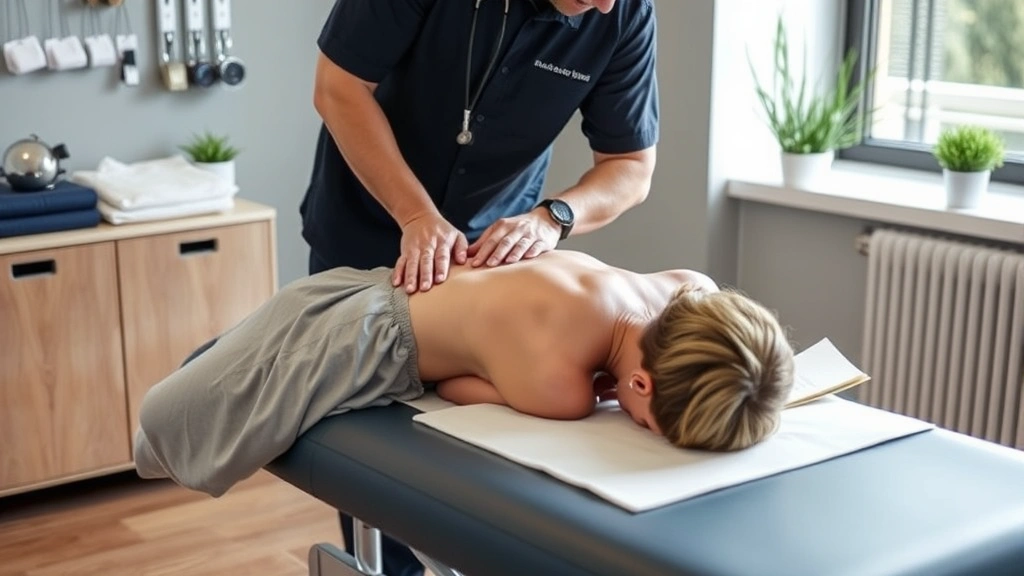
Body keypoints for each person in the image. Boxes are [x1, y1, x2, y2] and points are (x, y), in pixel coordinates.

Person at [302, 0, 659, 570]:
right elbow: (337, 88)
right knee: (370, 461)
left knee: (466, 466)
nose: (607, 4)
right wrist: (415, 215)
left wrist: (554, 217)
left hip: (487, 252)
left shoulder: (623, 14)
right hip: (363, 230)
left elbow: (631, 164)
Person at [133, 250, 796, 502]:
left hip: (363, 283)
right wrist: (595, 390)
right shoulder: (560, 391)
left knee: (232, 349)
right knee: (175, 424)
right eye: (646, 420)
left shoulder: (689, 288)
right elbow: (454, 388)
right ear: (642, 388)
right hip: (359, 343)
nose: (634, 421)